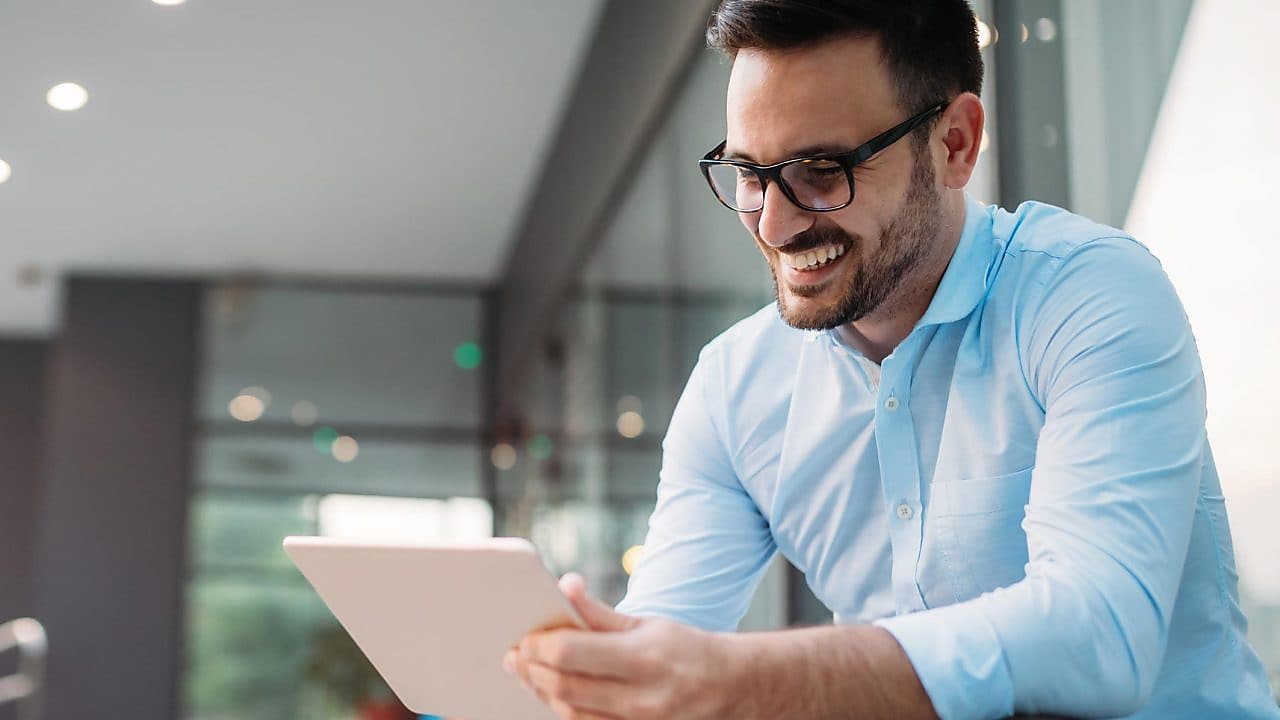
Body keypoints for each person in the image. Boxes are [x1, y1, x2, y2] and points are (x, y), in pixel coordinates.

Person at [503, 1, 1280, 718]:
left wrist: (738, 679)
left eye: (822, 171)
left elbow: (1097, 635)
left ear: (954, 144)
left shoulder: (1087, 294)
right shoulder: (735, 388)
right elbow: (661, 650)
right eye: (750, 175)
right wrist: (596, 676)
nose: (774, 226)